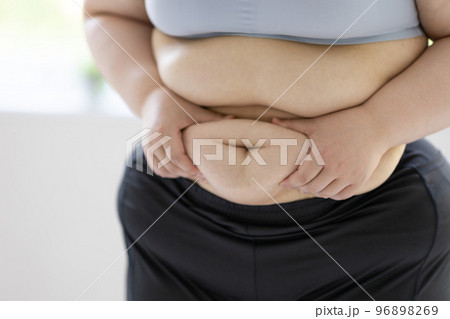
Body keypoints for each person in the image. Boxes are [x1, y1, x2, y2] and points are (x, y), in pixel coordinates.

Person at [84, 0, 450, 300]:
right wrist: (150, 96)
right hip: (174, 215)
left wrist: (378, 124)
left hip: (371, 228)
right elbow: (107, 13)